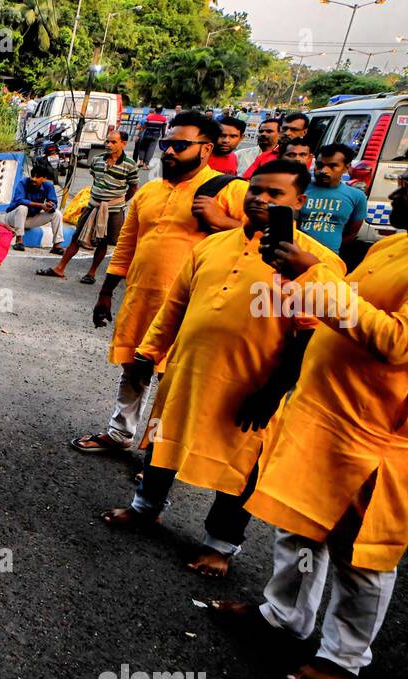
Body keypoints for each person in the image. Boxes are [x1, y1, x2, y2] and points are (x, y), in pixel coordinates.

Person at [213, 131, 408, 679]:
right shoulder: (396, 246)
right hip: (324, 412)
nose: (394, 193)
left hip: (384, 432)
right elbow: (342, 311)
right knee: (298, 524)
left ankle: (342, 658)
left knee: (361, 550)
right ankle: (284, 616)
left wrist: (313, 274)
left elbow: (400, 340)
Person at [100, 160, 344, 577]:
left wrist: (274, 390)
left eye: (275, 194)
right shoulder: (211, 245)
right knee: (163, 440)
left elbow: (313, 335)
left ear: (300, 203)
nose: (261, 199)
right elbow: (175, 306)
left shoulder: (317, 262)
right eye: (256, 191)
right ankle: (146, 508)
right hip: (187, 371)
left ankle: (221, 544)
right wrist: (148, 351)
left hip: (251, 383)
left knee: (240, 463)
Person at [73, 111, 248, 454]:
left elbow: (259, 241)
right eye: (167, 144)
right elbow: (126, 245)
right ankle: (120, 433)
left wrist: (221, 220)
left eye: (180, 146)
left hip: (193, 306)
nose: (168, 152)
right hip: (142, 298)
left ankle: (159, 452)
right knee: (134, 368)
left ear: (206, 149)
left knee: (174, 382)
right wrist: (106, 292)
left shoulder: (231, 190)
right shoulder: (149, 192)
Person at [37, 129, 138, 282]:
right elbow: (95, 180)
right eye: (107, 141)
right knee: (77, 237)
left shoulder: (130, 165)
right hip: (93, 205)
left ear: (123, 144)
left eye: (113, 142)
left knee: (104, 242)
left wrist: (119, 202)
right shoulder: (97, 160)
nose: (108, 145)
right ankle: (60, 268)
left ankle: (91, 273)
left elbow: (133, 188)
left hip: (114, 210)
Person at [298, 142, 367, 255]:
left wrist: (330, 251)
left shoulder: (357, 196)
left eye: (332, 166)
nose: (324, 171)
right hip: (295, 255)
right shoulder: (299, 188)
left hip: (330, 259)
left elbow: (351, 233)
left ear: (346, 168)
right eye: (320, 165)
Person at [0, 160, 58, 252]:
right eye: (32, 176)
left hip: (29, 220)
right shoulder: (23, 182)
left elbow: (54, 203)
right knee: (22, 207)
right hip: (12, 219)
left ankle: (57, 245)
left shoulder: (48, 186)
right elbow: (19, 200)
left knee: (57, 214)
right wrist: (41, 205)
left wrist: (50, 206)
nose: (33, 179)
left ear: (44, 178)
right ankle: (19, 241)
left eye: (37, 177)